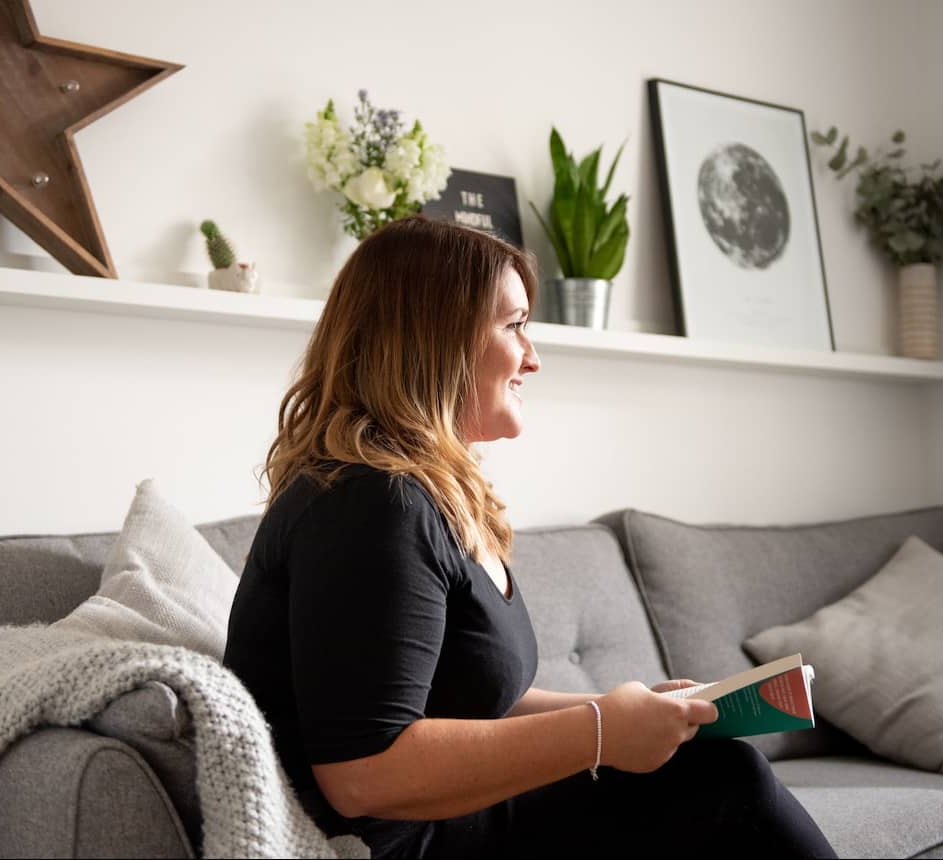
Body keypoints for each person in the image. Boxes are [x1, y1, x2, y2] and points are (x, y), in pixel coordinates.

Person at [223, 216, 837, 859]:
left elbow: (473, 703)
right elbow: (363, 775)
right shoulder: (370, 503)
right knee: (722, 780)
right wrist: (601, 731)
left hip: (447, 821)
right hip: (398, 843)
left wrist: (627, 715)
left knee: (705, 768)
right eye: (514, 325)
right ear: (437, 338)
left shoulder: (415, 495)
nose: (533, 357)